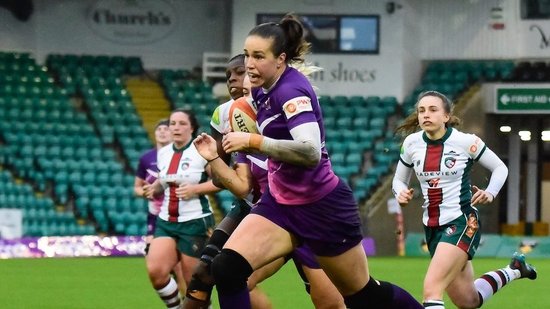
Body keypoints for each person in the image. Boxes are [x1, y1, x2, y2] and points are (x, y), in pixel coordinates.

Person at [209, 13, 423, 309]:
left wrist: (253, 141)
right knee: (226, 269)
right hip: (280, 203)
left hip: (322, 207)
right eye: (247, 55)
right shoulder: (260, 89)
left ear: (280, 59)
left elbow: (309, 152)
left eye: (259, 56)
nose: (249, 64)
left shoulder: (291, 91)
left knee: (363, 297)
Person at [392, 90, 538, 309]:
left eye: (433, 110)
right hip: (432, 227)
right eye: (421, 110)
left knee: (432, 290)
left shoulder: (465, 142)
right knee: (468, 301)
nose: (425, 115)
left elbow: (499, 167)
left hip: (461, 222)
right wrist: (400, 193)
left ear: (446, 116)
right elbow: (398, 180)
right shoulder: (411, 144)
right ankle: (515, 269)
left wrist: (490, 191)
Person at [143, 109, 220, 309]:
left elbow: (221, 181)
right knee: (156, 272)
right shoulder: (164, 152)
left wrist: (196, 189)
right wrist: (155, 188)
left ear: (192, 127)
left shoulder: (201, 150)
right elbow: (163, 180)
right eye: (173, 123)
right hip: (166, 221)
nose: (176, 127)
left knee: (193, 286)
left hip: (195, 222)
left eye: (181, 123)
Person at [134, 119, 186, 294]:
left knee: (180, 268)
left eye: (166, 129)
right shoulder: (146, 158)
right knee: (154, 265)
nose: (163, 132)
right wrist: (145, 192)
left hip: (177, 214)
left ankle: (187, 302)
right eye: (159, 129)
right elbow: (137, 187)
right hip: (155, 216)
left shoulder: (180, 156)